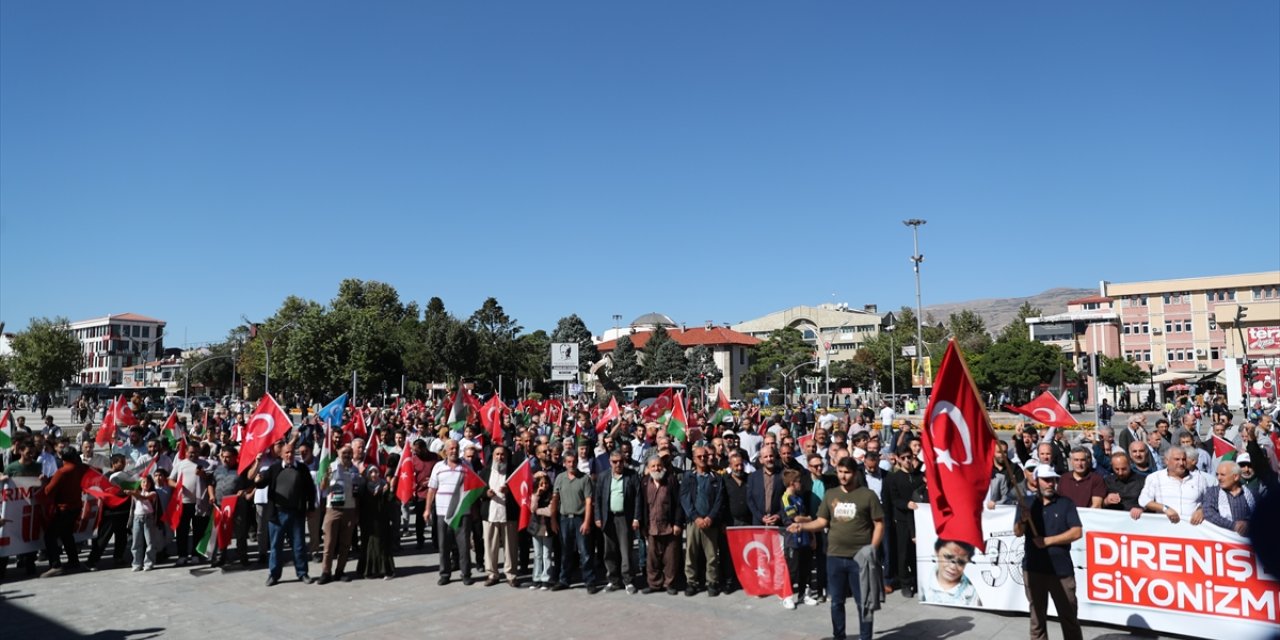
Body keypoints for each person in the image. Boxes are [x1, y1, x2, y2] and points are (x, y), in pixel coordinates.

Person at [788, 457, 884, 640]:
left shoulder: (867, 495)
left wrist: (872, 547)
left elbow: (879, 524)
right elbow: (821, 521)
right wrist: (802, 527)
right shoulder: (831, 494)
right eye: (840, 472)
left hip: (860, 558)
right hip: (834, 556)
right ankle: (838, 636)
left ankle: (866, 636)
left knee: (864, 602)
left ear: (855, 473)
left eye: (847, 472)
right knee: (836, 603)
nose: (843, 476)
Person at [1015, 465, 1083, 640]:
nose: (1050, 484)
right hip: (1033, 569)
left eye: (1053, 480)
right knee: (1037, 619)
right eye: (1046, 480)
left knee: (1069, 618)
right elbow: (1017, 531)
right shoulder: (1026, 503)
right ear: (1036, 481)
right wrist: (1022, 520)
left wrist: (1047, 541)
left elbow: (1077, 532)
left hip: (1061, 571)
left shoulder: (1066, 503)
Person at [252, 442, 317, 586]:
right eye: (286, 452)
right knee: (275, 546)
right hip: (277, 515)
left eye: (292, 452)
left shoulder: (302, 469)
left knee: (299, 545)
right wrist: (258, 480)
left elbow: (310, 490)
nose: (289, 455)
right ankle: (274, 575)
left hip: (296, 514)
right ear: (281, 454)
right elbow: (261, 483)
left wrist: (311, 507)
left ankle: (302, 573)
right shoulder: (274, 469)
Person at [426, 439, 475, 586]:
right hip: (443, 513)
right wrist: (427, 509)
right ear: (446, 451)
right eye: (451, 448)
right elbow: (432, 489)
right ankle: (445, 574)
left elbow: (473, 487)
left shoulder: (466, 466)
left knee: (464, 546)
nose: (454, 451)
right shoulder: (438, 467)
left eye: (456, 448)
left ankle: (466, 574)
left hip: (461, 512)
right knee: (444, 545)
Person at [680, 444, 724, 598]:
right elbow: (685, 499)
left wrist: (710, 517)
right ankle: (691, 582)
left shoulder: (716, 478)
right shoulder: (688, 477)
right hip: (694, 522)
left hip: (710, 522)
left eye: (705, 456)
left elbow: (719, 500)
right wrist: (695, 517)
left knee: (712, 555)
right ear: (694, 459)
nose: (703, 459)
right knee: (691, 554)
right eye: (699, 457)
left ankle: (712, 582)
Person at [593, 447, 639, 593]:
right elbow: (598, 498)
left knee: (625, 550)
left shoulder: (631, 476)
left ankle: (628, 580)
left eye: (620, 461)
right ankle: (613, 580)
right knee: (609, 550)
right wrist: (598, 517)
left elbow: (638, 498)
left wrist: (636, 518)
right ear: (610, 462)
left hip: (625, 517)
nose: (618, 464)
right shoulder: (604, 476)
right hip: (608, 517)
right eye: (614, 462)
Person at [551, 451, 597, 592]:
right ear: (564, 463)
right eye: (569, 462)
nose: (572, 464)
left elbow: (589, 502)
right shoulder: (560, 478)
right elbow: (555, 499)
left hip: (580, 519)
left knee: (585, 552)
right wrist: (553, 520)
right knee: (565, 552)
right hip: (564, 520)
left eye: (574, 461)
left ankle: (589, 581)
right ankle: (564, 580)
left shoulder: (584, 479)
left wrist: (587, 522)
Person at [636, 454, 682, 595]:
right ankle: (654, 584)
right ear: (648, 469)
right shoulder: (644, 482)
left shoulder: (671, 480)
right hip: (651, 527)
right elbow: (641, 504)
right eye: (653, 466)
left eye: (659, 465)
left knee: (670, 558)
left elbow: (678, 504)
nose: (657, 468)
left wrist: (677, 523)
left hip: (669, 526)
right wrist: (642, 524)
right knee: (652, 559)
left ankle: (670, 583)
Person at [41, 447, 89, 577]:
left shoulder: (62, 472)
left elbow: (48, 491)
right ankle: (74, 562)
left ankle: (55, 565)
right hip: (76, 507)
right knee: (67, 534)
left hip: (63, 509)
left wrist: (45, 482)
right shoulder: (80, 468)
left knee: (50, 536)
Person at [319, 444, 363, 584]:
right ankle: (326, 572)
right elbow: (323, 487)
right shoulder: (331, 466)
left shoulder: (354, 469)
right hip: (333, 509)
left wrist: (356, 513)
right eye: (344, 453)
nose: (347, 455)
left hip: (349, 509)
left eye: (350, 453)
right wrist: (326, 476)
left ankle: (340, 571)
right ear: (338, 453)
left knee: (345, 544)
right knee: (329, 543)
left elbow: (356, 492)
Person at [1134, 447, 1207, 524]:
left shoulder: (1199, 478)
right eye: (1177, 459)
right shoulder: (1155, 478)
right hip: (1166, 529)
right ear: (1166, 461)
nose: (1181, 463)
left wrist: (1201, 510)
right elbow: (1144, 500)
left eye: (1184, 459)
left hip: (1194, 529)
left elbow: (1209, 500)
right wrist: (1165, 508)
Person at [481, 445, 521, 588]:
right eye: (497, 454)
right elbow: (478, 490)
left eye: (502, 454)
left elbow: (521, 490)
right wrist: (486, 493)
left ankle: (511, 574)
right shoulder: (485, 472)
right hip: (490, 514)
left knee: (510, 546)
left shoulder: (513, 471)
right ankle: (492, 574)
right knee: (490, 546)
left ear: (507, 456)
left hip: (508, 514)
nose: (500, 457)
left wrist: (510, 490)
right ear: (493, 456)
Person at [779, 468, 819, 609]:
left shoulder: (799, 498)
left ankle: (804, 594)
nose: (801, 484)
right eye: (799, 482)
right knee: (792, 569)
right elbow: (794, 518)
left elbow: (803, 519)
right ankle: (787, 596)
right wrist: (808, 519)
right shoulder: (786, 498)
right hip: (792, 540)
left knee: (806, 568)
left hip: (805, 538)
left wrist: (812, 535)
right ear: (791, 483)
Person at [357, 465, 397, 580]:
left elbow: (390, 501)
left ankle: (385, 570)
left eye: (376, 472)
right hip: (367, 520)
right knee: (369, 545)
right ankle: (368, 570)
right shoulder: (364, 486)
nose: (374, 475)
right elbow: (359, 501)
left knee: (382, 545)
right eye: (371, 472)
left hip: (382, 520)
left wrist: (390, 490)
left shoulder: (384, 485)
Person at [1199, 460, 1256, 536]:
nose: (1218, 478)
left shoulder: (1252, 494)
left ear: (1235, 477)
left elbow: (1262, 515)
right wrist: (1234, 526)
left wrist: (1248, 524)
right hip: (1222, 540)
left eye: (1222, 475)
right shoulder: (1212, 492)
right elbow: (1209, 513)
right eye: (1217, 474)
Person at [921, 538, 981, 606]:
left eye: (961, 562)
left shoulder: (972, 594)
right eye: (948, 557)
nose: (953, 566)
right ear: (936, 551)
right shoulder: (923, 583)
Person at [528, 471, 557, 590]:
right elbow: (532, 508)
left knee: (547, 554)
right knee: (538, 554)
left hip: (547, 527)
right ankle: (536, 578)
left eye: (546, 483)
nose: (544, 486)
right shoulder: (535, 494)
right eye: (541, 484)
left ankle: (546, 578)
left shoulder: (552, 495)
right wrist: (536, 496)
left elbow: (550, 511)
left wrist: (537, 511)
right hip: (536, 527)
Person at [127, 473, 161, 571]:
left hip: (148, 518)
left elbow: (144, 498)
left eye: (148, 482)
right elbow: (133, 505)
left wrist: (133, 493)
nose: (145, 484)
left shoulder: (153, 493)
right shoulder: (136, 493)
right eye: (143, 482)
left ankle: (149, 562)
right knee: (136, 542)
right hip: (137, 518)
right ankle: (137, 563)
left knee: (150, 542)